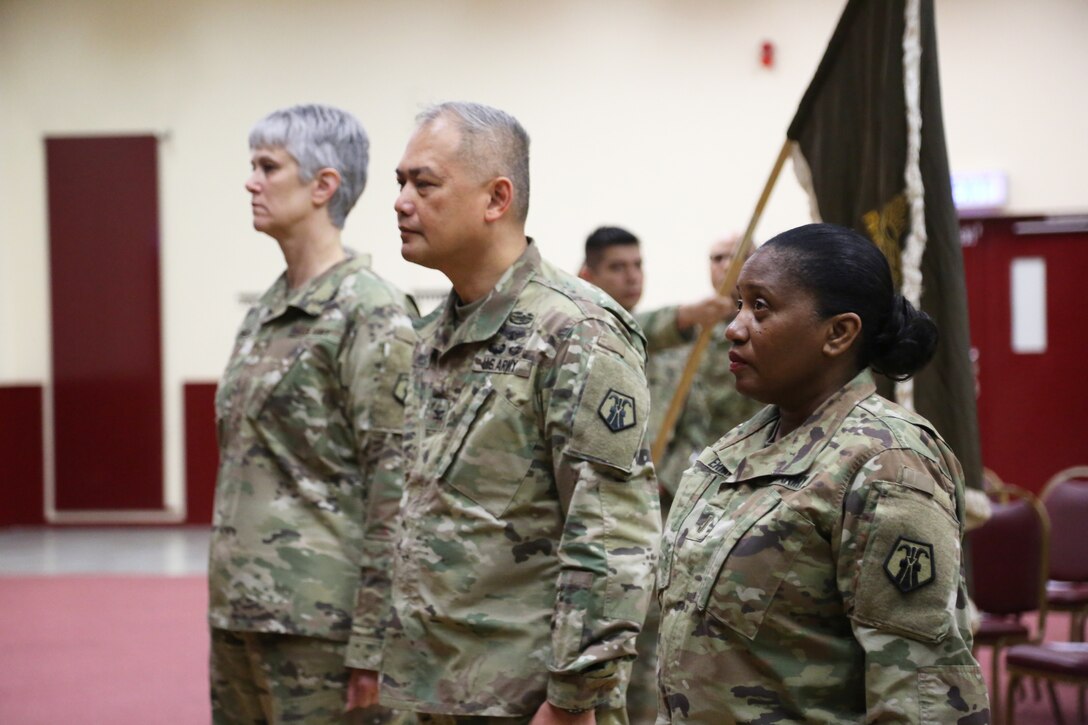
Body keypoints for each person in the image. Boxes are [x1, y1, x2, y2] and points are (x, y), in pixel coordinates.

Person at [352, 101, 660, 724]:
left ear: (496, 199)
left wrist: (574, 699)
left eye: (424, 183)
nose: (400, 201)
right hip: (431, 687)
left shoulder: (576, 331)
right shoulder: (435, 333)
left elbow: (611, 532)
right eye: (399, 182)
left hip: (527, 701)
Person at [656, 223, 989, 723]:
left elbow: (922, 690)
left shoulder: (887, 464)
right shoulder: (738, 445)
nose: (735, 327)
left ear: (838, 333)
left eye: (761, 307)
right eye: (738, 305)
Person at [207, 104, 417, 724]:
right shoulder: (267, 311)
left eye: (268, 167)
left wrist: (373, 643)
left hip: (321, 625)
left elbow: (396, 488)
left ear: (323, 185)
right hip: (240, 612)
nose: (251, 181)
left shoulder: (370, 311)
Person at [579, 229, 755, 725]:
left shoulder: (735, 344)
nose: (632, 276)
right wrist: (684, 319)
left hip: (701, 513)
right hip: (622, 514)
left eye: (638, 265)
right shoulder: (637, 333)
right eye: (717, 255)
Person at [578, 226, 733, 354]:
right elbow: (622, 331)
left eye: (637, 265)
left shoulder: (663, 341)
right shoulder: (580, 329)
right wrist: (685, 315)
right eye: (617, 268)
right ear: (587, 276)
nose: (633, 277)